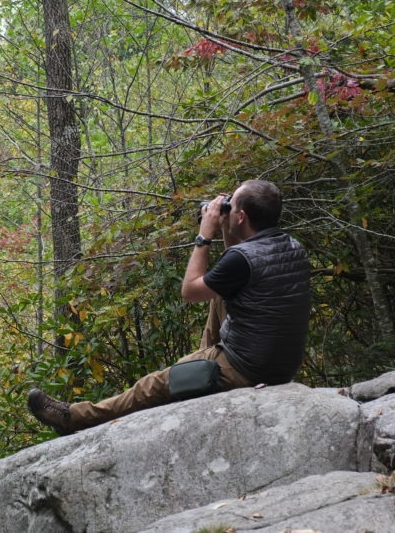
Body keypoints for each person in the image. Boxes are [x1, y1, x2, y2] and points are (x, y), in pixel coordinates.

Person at [27, 179, 311, 436]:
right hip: (278, 364)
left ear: (241, 216)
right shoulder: (292, 247)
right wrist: (226, 228)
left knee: (151, 386)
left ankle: (73, 417)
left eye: (230, 205)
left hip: (246, 368)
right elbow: (233, 268)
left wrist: (204, 235)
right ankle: (204, 360)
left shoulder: (242, 258)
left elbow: (189, 291)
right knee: (218, 294)